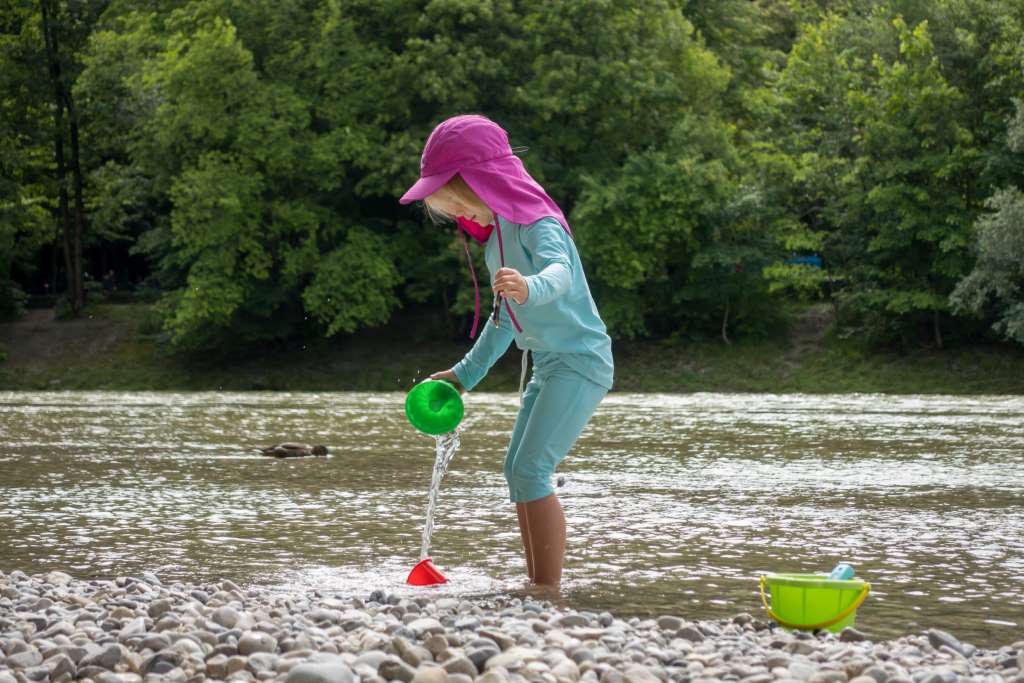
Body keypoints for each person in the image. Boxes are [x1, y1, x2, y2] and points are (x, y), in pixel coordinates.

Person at [399, 114, 614, 589]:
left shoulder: (538, 223)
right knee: (517, 470)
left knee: (533, 468)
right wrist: (462, 376)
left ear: (485, 184)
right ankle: (535, 582)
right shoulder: (497, 241)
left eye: (460, 204)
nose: (461, 217)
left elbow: (560, 274)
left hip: (582, 362)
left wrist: (528, 286)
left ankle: (547, 588)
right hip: (551, 364)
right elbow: (502, 322)